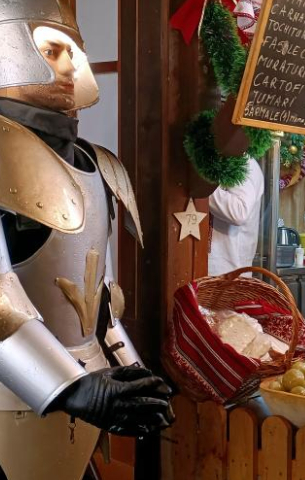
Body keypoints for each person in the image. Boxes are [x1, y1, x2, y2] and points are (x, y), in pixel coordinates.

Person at [0, 4, 173, 479]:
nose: (69, 64)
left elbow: (100, 302)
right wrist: (69, 387)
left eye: (72, 49)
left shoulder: (97, 162)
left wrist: (131, 376)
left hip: (80, 388)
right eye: (50, 49)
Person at [208, 157, 265, 276]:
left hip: (228, 273)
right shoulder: (229, 160)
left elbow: (239, 211)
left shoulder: (243, 162)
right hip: (220, 271)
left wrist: (203, 188)